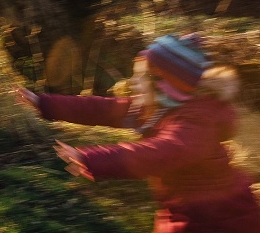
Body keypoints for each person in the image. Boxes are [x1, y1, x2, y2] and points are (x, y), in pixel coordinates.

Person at [16, 33, 260, 232]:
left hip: (220, 221)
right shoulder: (158, 106)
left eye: (140, 78)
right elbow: (103, 109)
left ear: (163, 84)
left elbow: (160, 153)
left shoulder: (197, 122)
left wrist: (95, 159)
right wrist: (44, 103)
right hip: (184, 212)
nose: (133, 84)